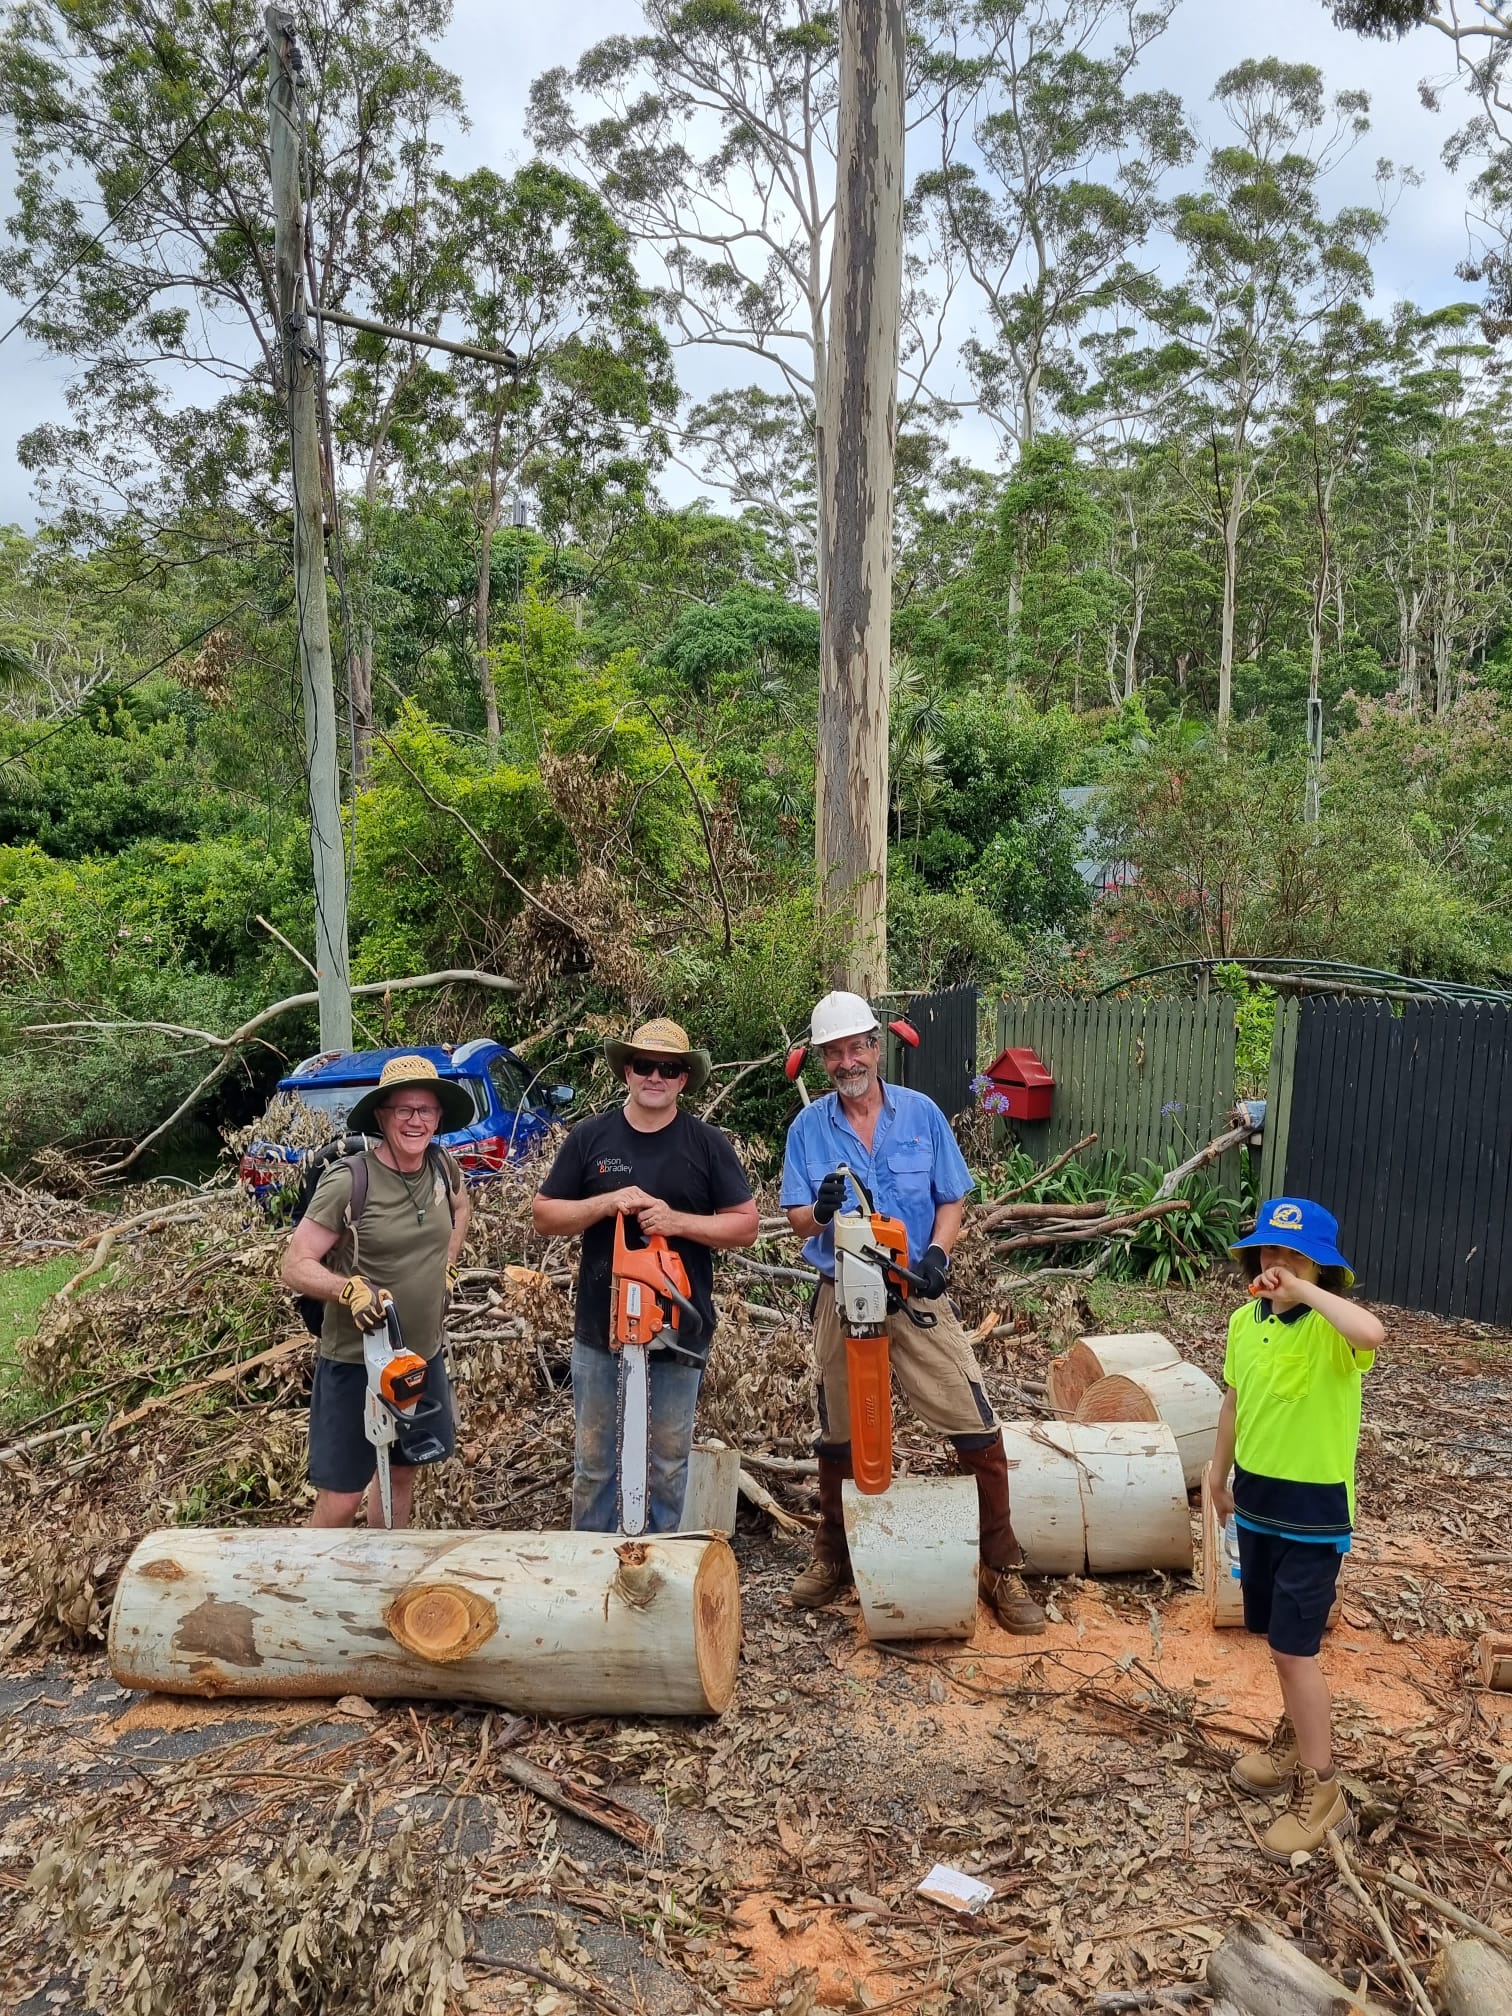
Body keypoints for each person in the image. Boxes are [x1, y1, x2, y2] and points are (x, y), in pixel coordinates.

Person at [780, 991, 1045, 1634]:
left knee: (972, 1416)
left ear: (876, 1045)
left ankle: (999, 1565)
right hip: (842, 1291)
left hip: (915, 1291)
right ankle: (834, 1552)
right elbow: (794, 1223)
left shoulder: (922, 1114)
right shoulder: (807, 1129)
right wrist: (819, 1209)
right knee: (838, 1429)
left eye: (856, 1047)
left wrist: (937, 1255)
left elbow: (951, 1198)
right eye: (834, 1052)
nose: (848, 1061)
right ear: (821, 1060)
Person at [532, 1017, 759, 1532]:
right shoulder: (591, 1138)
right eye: (644, 1065)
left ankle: (657, 1568)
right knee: (594, 1462)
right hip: (600, 1328)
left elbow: (745, 1226)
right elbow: (545, 1215)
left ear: (683, 1079)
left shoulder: (706, 1144)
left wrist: (677, 1221)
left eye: (668, 1068)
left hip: (681, 1326)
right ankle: (591, 1566)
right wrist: (606, 1202)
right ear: (627, 1071)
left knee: (668, 1461)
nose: (655, 1076)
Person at [1210, 1196, 1385, 1859]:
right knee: (1273, 1634)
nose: (1275, 1264)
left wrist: (1310, 1292)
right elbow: (1233, 1399)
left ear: (1320, 1267)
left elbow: (1373, 1334)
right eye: (1268, 1251)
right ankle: (1293, 1736)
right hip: (1256, 1505)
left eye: (1293, 1255)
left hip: (1313, 1517)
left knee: (1294, 1647)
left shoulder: (1331, 1330)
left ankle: (1323, 1787)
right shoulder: (1241, 1322)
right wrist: (1217, 1475)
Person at [281, 1054, 471, 1529]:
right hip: (355, 1364)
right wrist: (348, 1290)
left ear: (439, 1117)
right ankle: (313, 1593)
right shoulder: (350, 1180)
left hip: (421, 1355)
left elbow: (463, 1207)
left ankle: (383, 1585)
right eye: (403, 1110)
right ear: (382, 1116)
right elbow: (294, 1264)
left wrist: (447, 1264)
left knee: (400, 1476)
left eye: (425, 1110)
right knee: (343, 1498)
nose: (415, 1120)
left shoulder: (442, 1166)